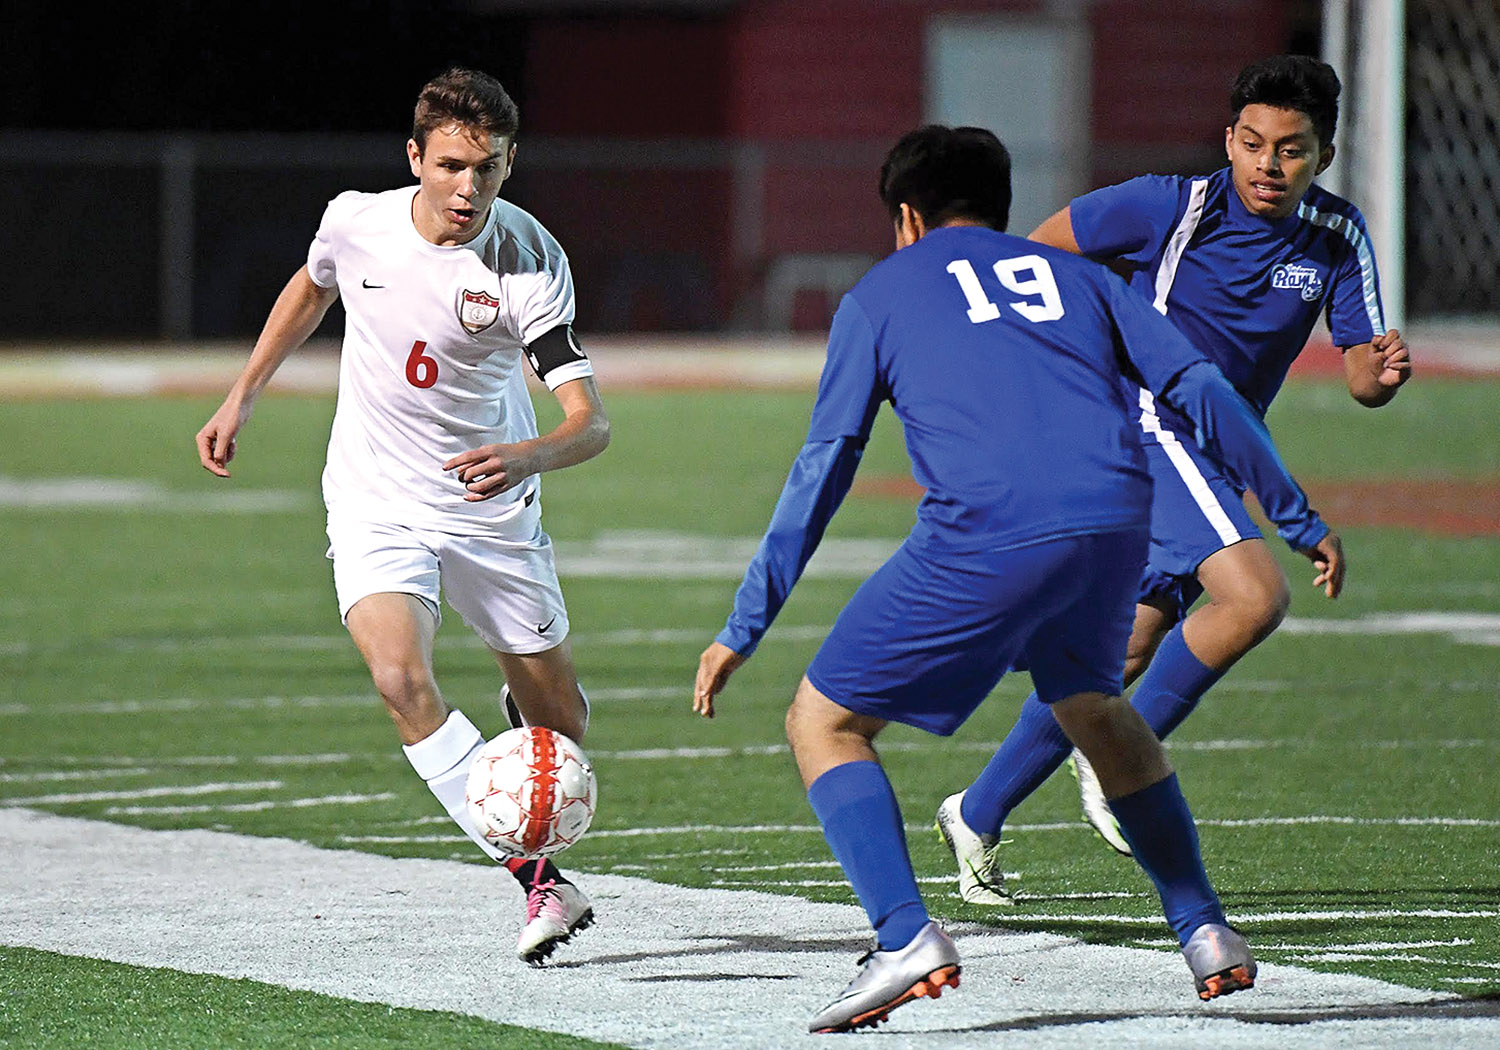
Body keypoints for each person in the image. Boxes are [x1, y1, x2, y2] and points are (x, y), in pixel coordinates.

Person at [693, 124, 1333, 1033]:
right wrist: (1295, 514)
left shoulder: (878, 295)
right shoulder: (1084, 277)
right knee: (1095, 707)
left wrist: (744, 626)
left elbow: (824, 467)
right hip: (1118, 522)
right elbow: (1199, 391)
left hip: (989, 530)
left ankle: (904, 936)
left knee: (822, 720)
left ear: (908, 217)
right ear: (999, 207)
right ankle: (1204, 929)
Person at [940, 54, 1412, 898]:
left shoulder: (1340, 237)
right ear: (1228, 140)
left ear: (1324, 155)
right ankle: (1127, 758)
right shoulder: (1172, 203)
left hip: (1217, 445)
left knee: (1118, 649)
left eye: (1293, 149)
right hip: (1143, 423)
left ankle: (976, 811)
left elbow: (1362, 377)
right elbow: (1036, 254)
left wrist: (1381, 371)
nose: (1270, 165)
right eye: (1254, 143)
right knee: (1256, 598)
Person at [195, 67, 609, 966]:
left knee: (560, 725)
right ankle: (541, 884)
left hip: (489, 509)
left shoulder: (530, 262)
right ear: (416, 156)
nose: (470, 189)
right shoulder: (357, 221)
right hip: (376, 495)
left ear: (509, 164)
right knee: (397, 680)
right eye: (454, 165)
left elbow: (589, 423)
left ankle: (530, 718)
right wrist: (242, 396)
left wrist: (523, 455)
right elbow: (313, 287)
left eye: (490, 170)